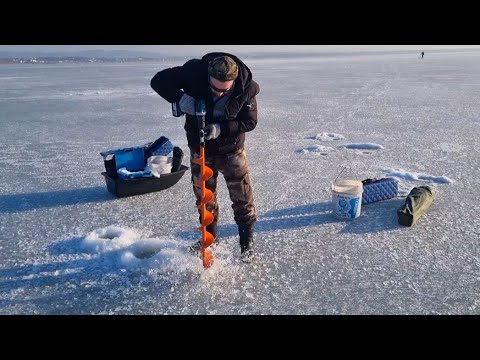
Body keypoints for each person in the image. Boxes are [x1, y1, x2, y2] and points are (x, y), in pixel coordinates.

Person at [150, 52, 259, 263]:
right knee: (204, 199)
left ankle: (247, 246)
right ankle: (209, 240)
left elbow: (250, 121)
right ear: (208, 76)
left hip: (232, 150)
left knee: (243, 198)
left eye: (224, 90)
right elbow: (158, 81)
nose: (218, 94)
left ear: (234, 81)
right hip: (200, 151)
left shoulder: (247, 88)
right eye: (215, 88)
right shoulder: (193, 73)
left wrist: (222, 128)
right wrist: (180, 98)